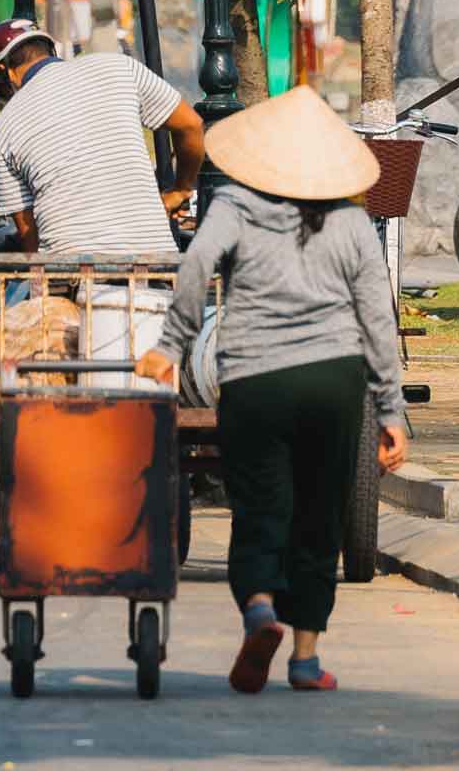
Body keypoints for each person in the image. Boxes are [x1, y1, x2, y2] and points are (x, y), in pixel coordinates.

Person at [141, 88, 407, 694]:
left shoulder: (234, 205)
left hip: (254, 380)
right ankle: (307, 659)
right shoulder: (352, 224)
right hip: (334, 383)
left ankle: (260, 609)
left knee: (261, 508)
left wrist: (171, 345)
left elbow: (194, 266)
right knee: (318, 518)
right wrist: (391, 410)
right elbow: (377, 322)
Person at [0, 15, 205, 369]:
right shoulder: (117, 67)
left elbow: (27, 232)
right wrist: (181, 188)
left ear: (5, 72)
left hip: (68, 272)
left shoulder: (4, 129)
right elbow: (190, 126)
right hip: (155, 260)